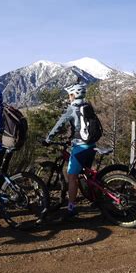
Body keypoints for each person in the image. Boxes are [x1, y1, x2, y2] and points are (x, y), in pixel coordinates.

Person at [45, 83, 97, 221]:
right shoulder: (88, 106)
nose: (69, 98)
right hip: (92, 145)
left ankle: (71, 208)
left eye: (69, 95)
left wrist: (48, 138)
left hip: (80, 147)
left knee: (72, 177)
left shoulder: (72, 108)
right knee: (87, 173)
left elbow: (60, 124)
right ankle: (95, 198)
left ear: (73, 95)